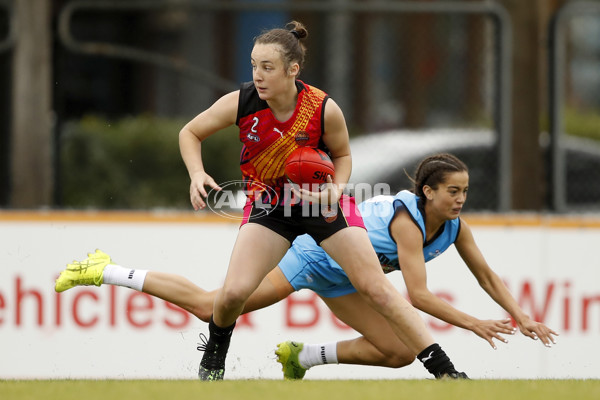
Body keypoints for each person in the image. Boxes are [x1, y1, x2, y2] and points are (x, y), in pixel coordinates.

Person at [56, 21, 466, 381]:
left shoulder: (323, 109)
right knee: (229, 295)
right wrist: (197, 173)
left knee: (377, 288)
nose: (258, 75)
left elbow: (343, 157)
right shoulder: (243, 102)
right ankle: (215, 353)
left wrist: (335, 189)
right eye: (254, 65)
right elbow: (189, 133)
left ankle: (445, 372)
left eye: (267, 67)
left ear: (293, 70)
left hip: (322, 205)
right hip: (270, 208)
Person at [55, 153, 556, 379]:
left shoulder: (454, 227)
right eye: (453, 191)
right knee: (215, 304)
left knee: (399, 352)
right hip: (314, 257)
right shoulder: (409, 221)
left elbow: (487, 277)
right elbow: (418, 298)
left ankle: (304, 357)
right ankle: (105, 269)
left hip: (347, 277)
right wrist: (474, 324)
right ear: (427, 192)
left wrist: (522, 315)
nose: (461, 199)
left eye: (465, 191)